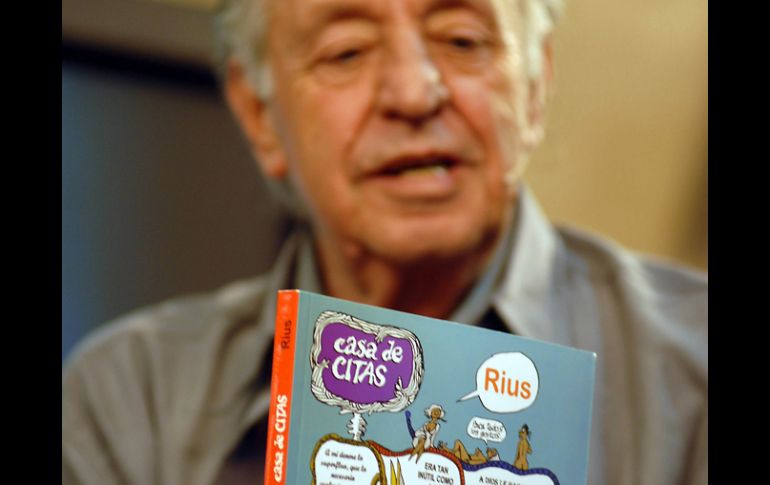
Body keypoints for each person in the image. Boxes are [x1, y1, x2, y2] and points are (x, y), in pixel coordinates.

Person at [62, 0, 707, 484]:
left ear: (536, 85)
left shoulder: (694, 372)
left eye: (462, 39)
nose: (413, 94)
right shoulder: (129, 400)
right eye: (346, 52)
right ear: (259, 115)